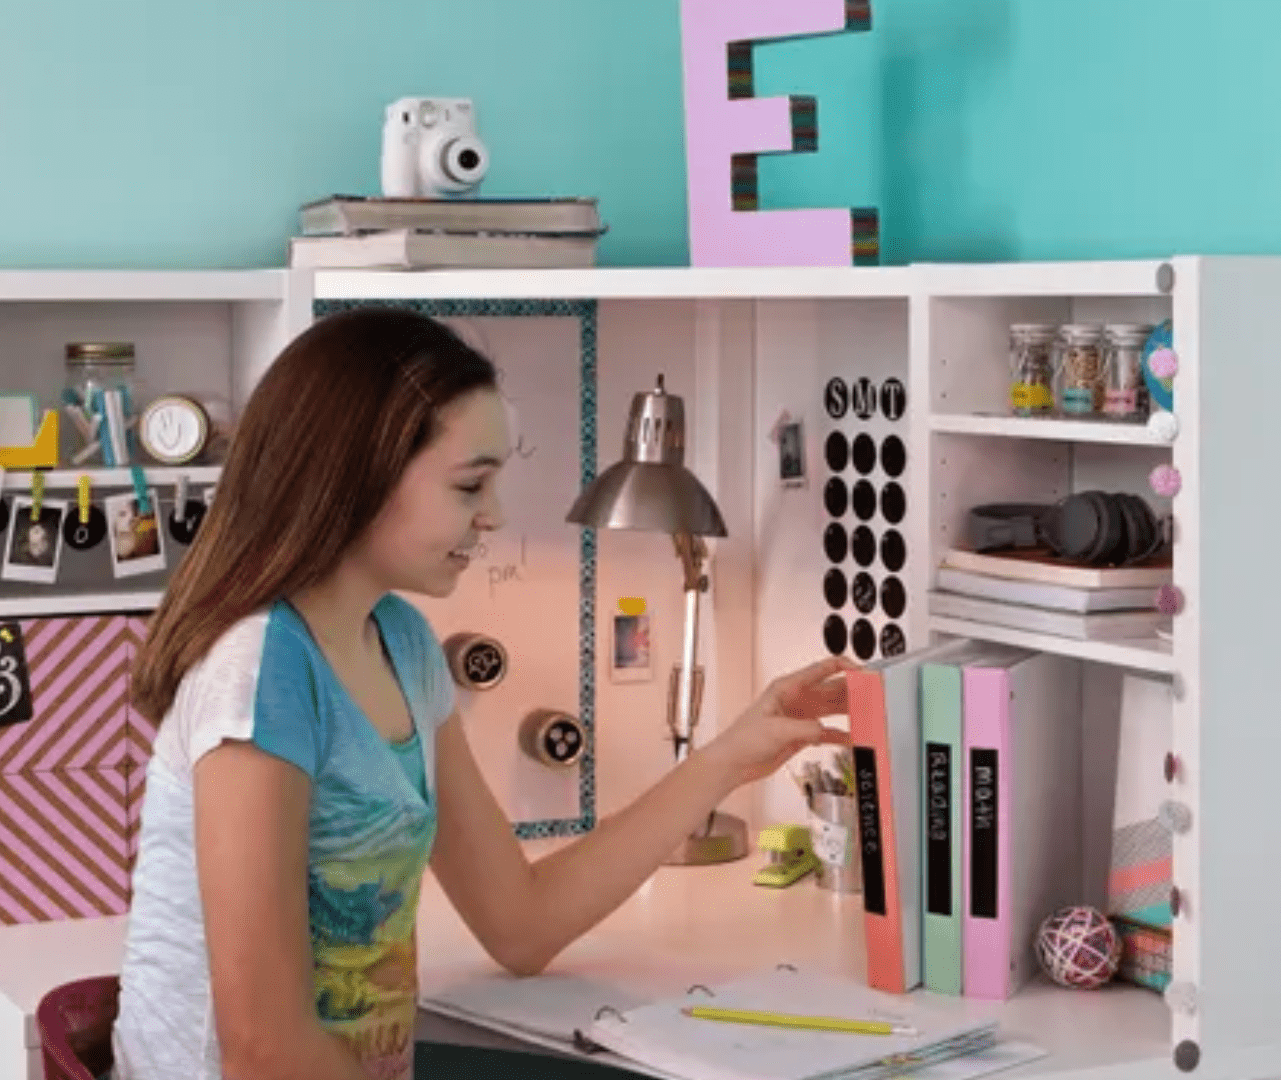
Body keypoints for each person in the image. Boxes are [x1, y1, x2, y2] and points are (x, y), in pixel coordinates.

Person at [110, 307, 858, 1080]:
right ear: (354, 474)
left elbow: (521, 923)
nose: (494, 515)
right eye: (471, 485)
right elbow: (264, 1052)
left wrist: (732, 754)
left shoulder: (401, 644)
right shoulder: (261, 670)